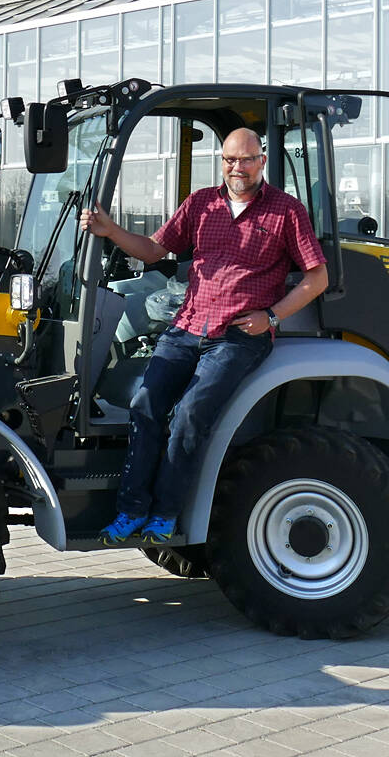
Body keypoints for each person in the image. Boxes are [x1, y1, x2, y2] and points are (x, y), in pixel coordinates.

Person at [81, 127, 329, 544]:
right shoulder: (201, 204)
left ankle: (165, 515)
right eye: (230, 159)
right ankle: (131, 510)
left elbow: (317, 278)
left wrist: (271, 316)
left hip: (237, 336)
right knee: (145, 403)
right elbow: (153, 250)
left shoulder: (286, 211)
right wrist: (110, 231)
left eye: (247, 159)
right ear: (222, 161)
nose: (238, 167)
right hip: (187, 325)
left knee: (190, 414)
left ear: (262, 161)